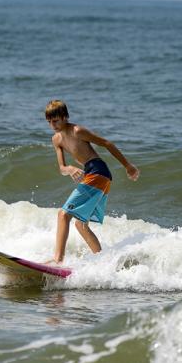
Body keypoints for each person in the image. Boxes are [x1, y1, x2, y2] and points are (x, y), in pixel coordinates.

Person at [45, 99, 140, 263]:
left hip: (98, 171)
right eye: (49, 122)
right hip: (94, 174)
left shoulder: (77, 131)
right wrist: (70, 169)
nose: (52, 125)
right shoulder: (56, 140)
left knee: (63, 215)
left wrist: (127, 165)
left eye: (55, 121)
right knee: (80, 225)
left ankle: (57, 260)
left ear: (65, 117)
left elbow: (106, 143)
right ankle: (102, 262)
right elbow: (62, 168)